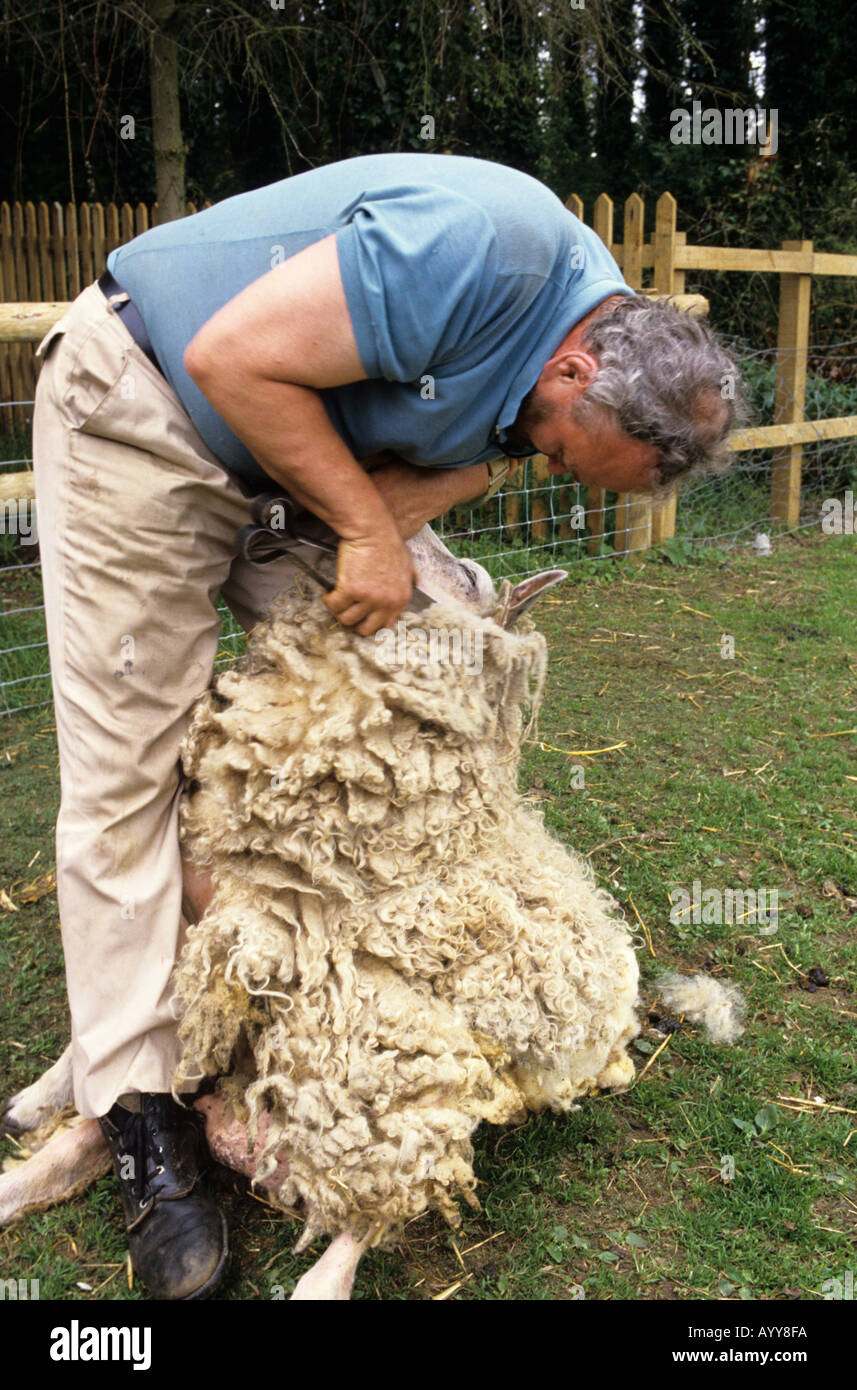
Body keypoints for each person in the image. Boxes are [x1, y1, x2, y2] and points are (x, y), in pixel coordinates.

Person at [31, 152, 741, 1299]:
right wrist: (363, 530)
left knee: (408, 695)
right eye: (560, 450)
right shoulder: (473, 250)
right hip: (153, 408)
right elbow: (233, 358)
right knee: (128, 769)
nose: (542, 464)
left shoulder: (599, 328)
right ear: (573, 362)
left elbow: (481, 458)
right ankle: (142, 1122)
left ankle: (356, 984)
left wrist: (391, 526)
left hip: (295, 459)